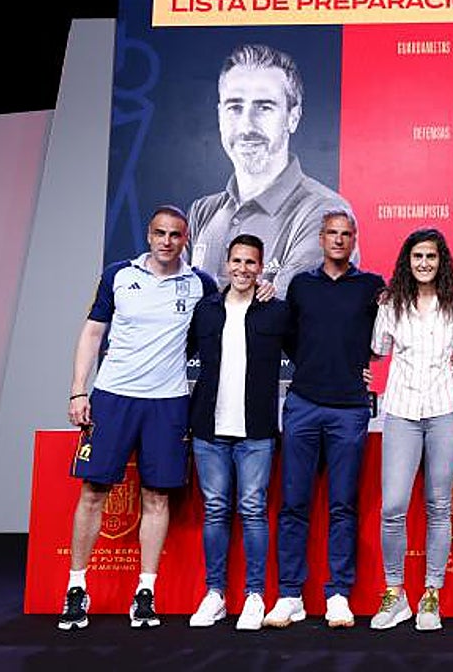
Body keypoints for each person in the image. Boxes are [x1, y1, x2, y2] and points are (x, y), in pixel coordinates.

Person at [58, 206, 218, 630]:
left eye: (176, 235)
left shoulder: (201, 283)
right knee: (94, 491)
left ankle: (145, 592)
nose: (167, 241)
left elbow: (231, 318)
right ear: (149, 235)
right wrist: (79, 389)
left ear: (186, 239)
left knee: (157, 497)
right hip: (112, 398)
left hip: (167, 403)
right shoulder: (118, 274)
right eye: (160, 233)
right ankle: (76, 587)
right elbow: (93, 332)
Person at [264, 211, 385, 629]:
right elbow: (290, 338)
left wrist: (360, 364)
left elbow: (388, 336)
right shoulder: (300, 285)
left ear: (355, 239)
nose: (338, 240)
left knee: (342, 506)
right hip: (302, 403)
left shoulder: (372, 287)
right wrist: (317, 366)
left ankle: (338, 594)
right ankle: (290, 595)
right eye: (332, 233)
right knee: (293, 504)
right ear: (321, 238)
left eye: (346, 234)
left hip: (350, 407)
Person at [188, 43, 355, 298]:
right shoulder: (202, 212)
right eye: (234, 107)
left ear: (293, 116)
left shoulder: (324, 212)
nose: (246, 125)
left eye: (264, 107)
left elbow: (281, 308)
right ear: (220, 114)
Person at [368, 228, 453, 632]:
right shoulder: (391, 305)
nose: (424, 263)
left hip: (447, 411)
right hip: (402, 413)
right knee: (393, 506)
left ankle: (432, 592)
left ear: (441, 261)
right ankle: (395, 593)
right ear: (407, 263)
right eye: (417, 257)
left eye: (431, 257)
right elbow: (377, 350)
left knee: (438, 505)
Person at [187, 234, 289, 631]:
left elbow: (309, 351)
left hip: (257, 430)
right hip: (209, 429)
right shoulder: (206, 310)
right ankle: (215, 595)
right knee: (215, 510)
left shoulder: (275, 311)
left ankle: (254, 596)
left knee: (252, 511)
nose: (243, 269)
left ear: (261, 267)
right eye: (237, 261)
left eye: (251, 263)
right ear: (226, 264)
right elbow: (179, 352)